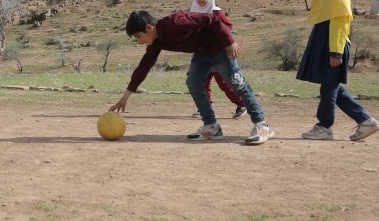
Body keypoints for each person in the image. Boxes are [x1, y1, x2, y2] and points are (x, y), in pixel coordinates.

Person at [109, 9, 274, 145]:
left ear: (149, 28)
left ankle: (262, 125)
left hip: (219, 49)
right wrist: (125, 97)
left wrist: (230, 40)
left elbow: (211, 19)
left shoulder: (175, 22)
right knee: (193, 82)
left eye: (138, 36)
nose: (139, 41)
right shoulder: (156, 42)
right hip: (202, 53)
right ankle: (212, 127)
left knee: (237, 84)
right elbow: (144, 67)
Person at [297, 0, 379, 141]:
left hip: (332, 45)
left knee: (329, 86)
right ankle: (366, 121)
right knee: (331, 85)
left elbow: (341, 23)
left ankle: (324, 127)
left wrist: (335, 51)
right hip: (326, 42)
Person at [188, 0, 246, 119]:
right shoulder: (193, 12)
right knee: (201, 82)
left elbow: (228, 27)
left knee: (225, 82)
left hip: (218, 53)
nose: (202, 0)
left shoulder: (216, 12)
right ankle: (203, 107)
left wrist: (223, 41)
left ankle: (241, 104)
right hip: (202, 52)